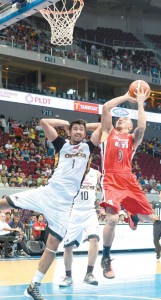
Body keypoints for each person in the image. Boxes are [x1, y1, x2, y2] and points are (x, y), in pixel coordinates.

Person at [0, 118, 101, 300]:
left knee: (53, 245)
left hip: (64, 205)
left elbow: (104, 127)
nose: (78, 132)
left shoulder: (89, 148)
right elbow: (44, 122)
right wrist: (66, 123)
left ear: (85, 134)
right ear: (68, 132)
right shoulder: (61, 144)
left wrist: (83, 126)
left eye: (81, 130)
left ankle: (34, 286)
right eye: (75, 129)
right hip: (47, 193)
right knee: (6, 203)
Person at [100, 88, 158, 279]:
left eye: (124, 119)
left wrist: (140, 102)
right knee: (113, 220)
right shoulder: (108, 133)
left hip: (128, 178)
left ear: (129, 125)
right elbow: (107, 107)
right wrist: (127, 96)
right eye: (119, 119)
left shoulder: (133, 138)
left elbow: (142, 127)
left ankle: (132, 213)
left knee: (152, 218)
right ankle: (106, 258)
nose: (120, 120)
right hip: (111, 178)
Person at [59, 167, 101, 287]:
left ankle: (89, 274)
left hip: (90, 211)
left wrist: (104, 205)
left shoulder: (96, 174)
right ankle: (68, 276)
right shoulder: (70, 171)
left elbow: (105, 188)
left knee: (94, 240)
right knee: (68, 247)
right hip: (74, 212)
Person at [153, 191, 161, 259]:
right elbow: (151, 212)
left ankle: (158, 252)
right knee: (155, 240)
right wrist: (154, 217)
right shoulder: (155, 202)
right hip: (157, 223)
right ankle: (158, 251)